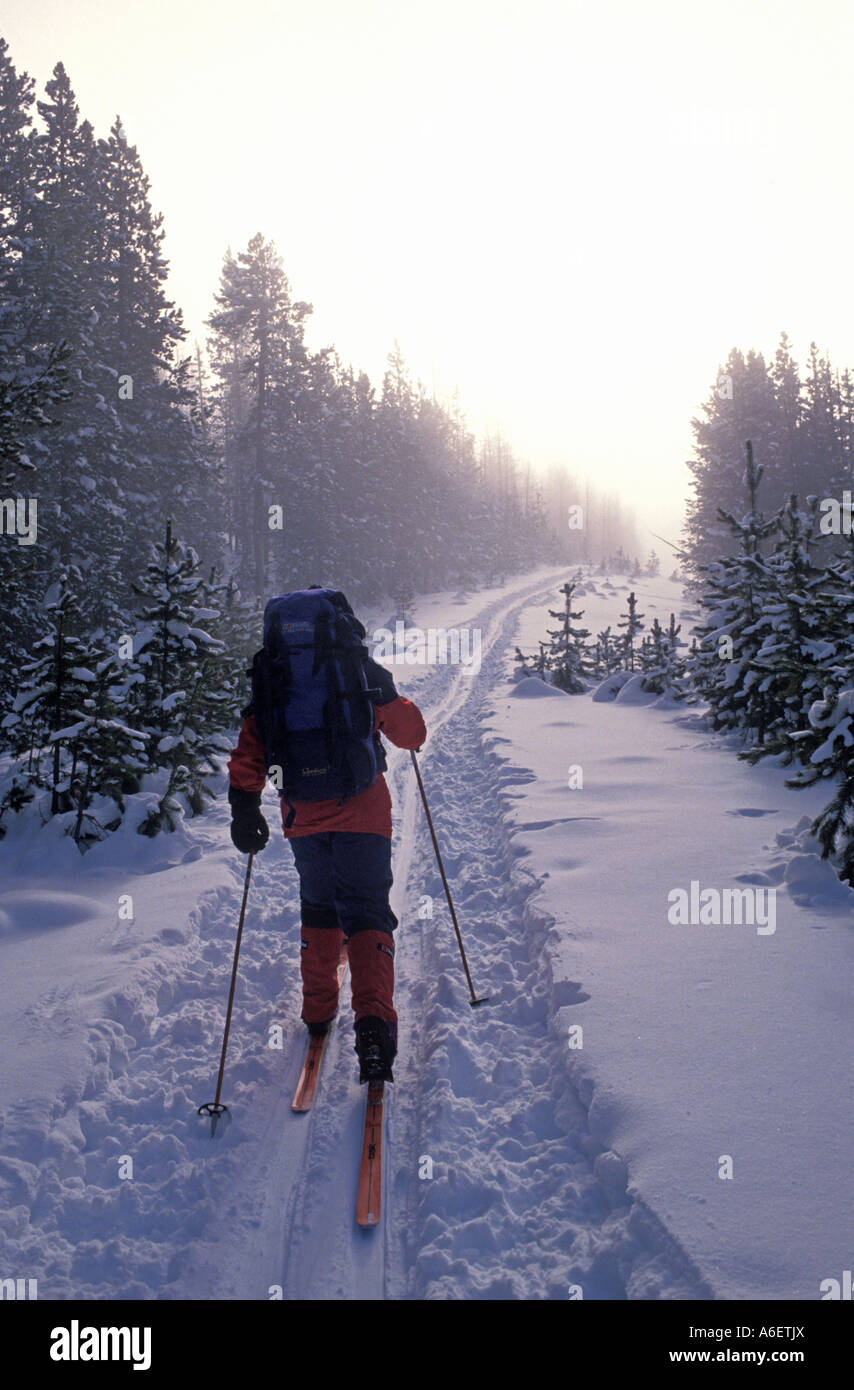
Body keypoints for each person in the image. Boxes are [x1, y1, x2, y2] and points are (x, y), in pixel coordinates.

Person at [227, 586, 426, 1083]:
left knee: (319, 908)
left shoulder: (273, 675)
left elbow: (251, 748)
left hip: (303, 816)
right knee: (365, 912)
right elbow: (410, 733)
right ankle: (375, 1027)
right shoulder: (356, 668)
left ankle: (318, 1011)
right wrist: (388, 699)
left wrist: (244, 807)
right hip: (364, 813)